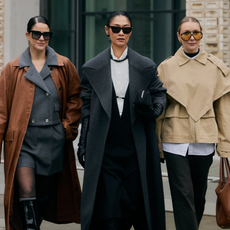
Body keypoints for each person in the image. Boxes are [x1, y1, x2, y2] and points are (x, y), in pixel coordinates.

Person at [77, 11, 167, 230]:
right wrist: (82, 143)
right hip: (105, 152)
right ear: (107, 30)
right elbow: (86, 109)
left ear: (130, 32)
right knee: (110, 216)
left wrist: (154, 110)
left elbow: (160, 93)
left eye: (126, 29)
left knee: (137, 208)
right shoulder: (91, 68)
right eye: (116, 28)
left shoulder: (145, 65)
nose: (120, 33)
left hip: (137, 150)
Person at [0, 16, 82, 230]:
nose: (41, 38)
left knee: (43, 194)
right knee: (26, 190)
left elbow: (76, 98)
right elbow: (1, 111)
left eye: (46, 34)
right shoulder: (12, 68)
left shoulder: (64, 65)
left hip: (53, 140)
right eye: (36, 33)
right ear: (28, 35)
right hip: (22, 141)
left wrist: (66, 128)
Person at [156, 16, 230, 230]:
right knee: (183, 194)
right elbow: (159, 110)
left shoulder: (216, 68)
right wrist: (157, 145)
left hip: (204, 139)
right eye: (186, 33)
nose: (191, 38)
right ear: (179, 36)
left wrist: (225, 145)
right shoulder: (166, 68)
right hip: (174, 138)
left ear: (201, 35)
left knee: (198, 196)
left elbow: (223, 111)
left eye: (196, 33)